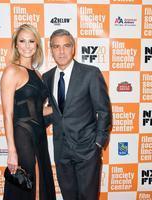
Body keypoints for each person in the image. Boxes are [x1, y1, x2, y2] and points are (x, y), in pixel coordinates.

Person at [43, 29, 112, 200]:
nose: (61, 51)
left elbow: (103, 111)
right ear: (50, 49)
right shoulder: (47, 77)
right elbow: (56, 112)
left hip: (87, 150)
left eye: (66, 46)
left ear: (73, 48)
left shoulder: (90, 73)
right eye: (56, 46)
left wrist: (98, 143)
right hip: (61, 151)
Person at [0, 24, 56, 200]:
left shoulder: (38, 75)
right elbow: (8, 115)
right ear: (16, 45)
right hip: (22, 136)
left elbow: (37, 111)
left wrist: (67, 108)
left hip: (39, 136)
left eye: (31, 41)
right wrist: (11, 150)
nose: (27, 45)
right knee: (25, 185)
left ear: (37, 45)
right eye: (22, 41)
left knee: (40, 184)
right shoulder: (11, 71)